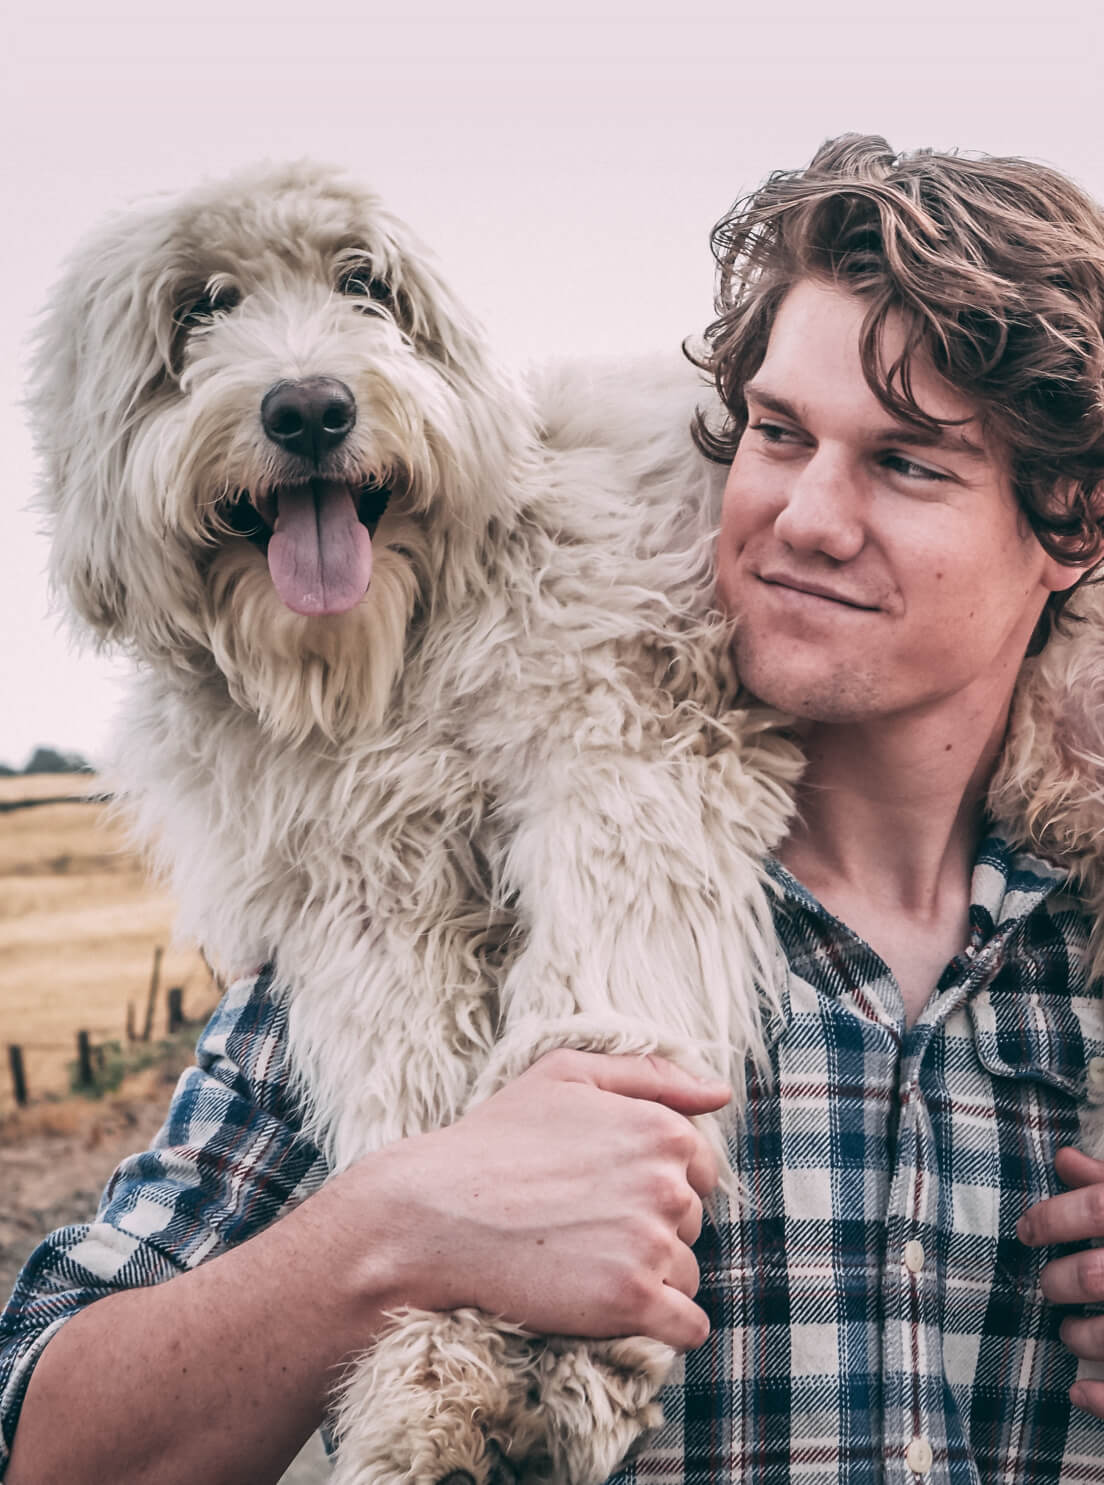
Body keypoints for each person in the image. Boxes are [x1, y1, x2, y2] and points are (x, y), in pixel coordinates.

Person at [5, 132, 1104, 1484]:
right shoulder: (426, 906)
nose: (805, 517)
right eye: (777, 433)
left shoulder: (1077, 962)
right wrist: (396, 1226)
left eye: (908, 464)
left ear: (1071, 521)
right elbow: (52, 1443)